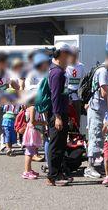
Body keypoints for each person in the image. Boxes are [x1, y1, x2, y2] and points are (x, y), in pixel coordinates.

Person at [84, 48, 108, 178]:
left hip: (102, 109)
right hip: (97, 109)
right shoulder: (103, 71)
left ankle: (100, 165)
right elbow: (104, 92)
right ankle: (90, 167)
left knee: (103, 138)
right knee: (95, 136)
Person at [46, 42, 71, 186]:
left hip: (61, 112)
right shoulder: (57, 72)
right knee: (55, 145)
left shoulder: (58, 70)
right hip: (57, 114)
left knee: (61, 144)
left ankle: (59, 172)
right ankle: (52, 176)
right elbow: (55, 95)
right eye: (67, 53)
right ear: (61, 53)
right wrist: (58, 116)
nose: (69, 57)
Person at [21, 94, 46, 180]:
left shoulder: (32, 108)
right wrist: (43, 123)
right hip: (32, 130)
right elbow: (33, 121)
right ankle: (26, 171)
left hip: (34, 130)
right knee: (29, 152)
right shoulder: (32, 108)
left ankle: (29, 169)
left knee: (32, 151)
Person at [65, 46, 85, 125]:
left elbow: (84, 81)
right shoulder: (65, 66)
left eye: (77, 54)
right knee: (67, 120)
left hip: (77, 97)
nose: (75, 56)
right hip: (66, 97)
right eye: (73, 54)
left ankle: (76, 135)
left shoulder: (81, 66)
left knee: (76, 121)